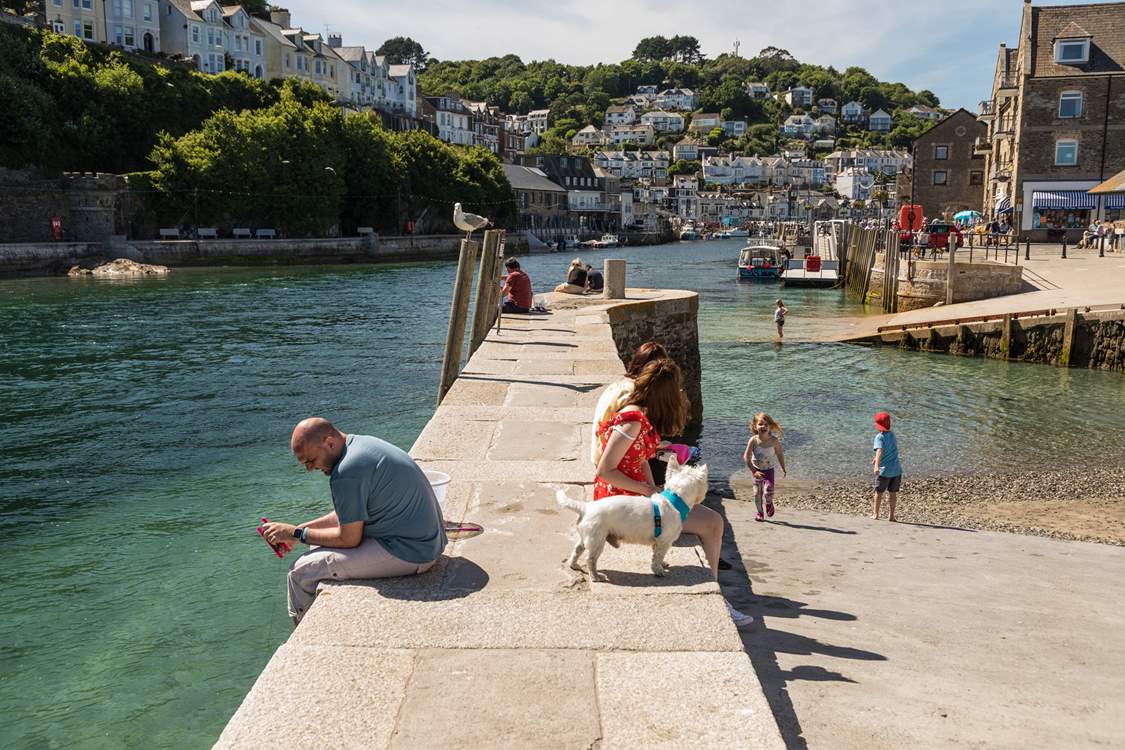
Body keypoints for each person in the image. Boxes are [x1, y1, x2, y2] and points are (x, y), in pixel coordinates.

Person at [593, 359, 752, 627]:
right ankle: (716, 596)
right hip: (623, 504)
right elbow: (605, 470)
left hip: (636, 498)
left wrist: (653, 488)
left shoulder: (638, 416)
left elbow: (640, 459)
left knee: (706, 518)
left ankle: (715, 591)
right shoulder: (633, 422)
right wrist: (646, 490)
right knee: (713, 524)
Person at [261, 418, 447, 623]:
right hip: (428, 541)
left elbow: (349, 538)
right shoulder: (360, 446)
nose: (309, 469)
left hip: (413, 552)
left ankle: (304, 635)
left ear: (329, 443)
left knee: (299, 572)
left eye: (311, 461)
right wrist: (297, 531)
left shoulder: (346, 473)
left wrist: (295, 533)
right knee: (315, 543)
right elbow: (346, 515)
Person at [742, 413, 787, 522]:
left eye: (766, 424)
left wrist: (783, 468)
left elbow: (779, 454)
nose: (763, 426)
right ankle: (760, 513)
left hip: (769, 471)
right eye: (760, 424)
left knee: (768, 491)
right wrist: (754, 471)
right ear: (755, 426)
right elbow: (746, 457)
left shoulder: (774, 441)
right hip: (756, 471)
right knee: (757, 493)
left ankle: (768, 503)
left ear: (770, 427)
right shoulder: (753, 440)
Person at [871, 411, 903, 522]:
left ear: (878, 425)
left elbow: (880, 450)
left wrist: (876, 465)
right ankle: (892, 516)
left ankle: (876, 514)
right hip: (896, 470)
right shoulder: (892, 435)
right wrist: (875, 458)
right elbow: (890, 449)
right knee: (893, 493)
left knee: (879, 493)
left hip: (884, 471)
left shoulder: (879, 437)